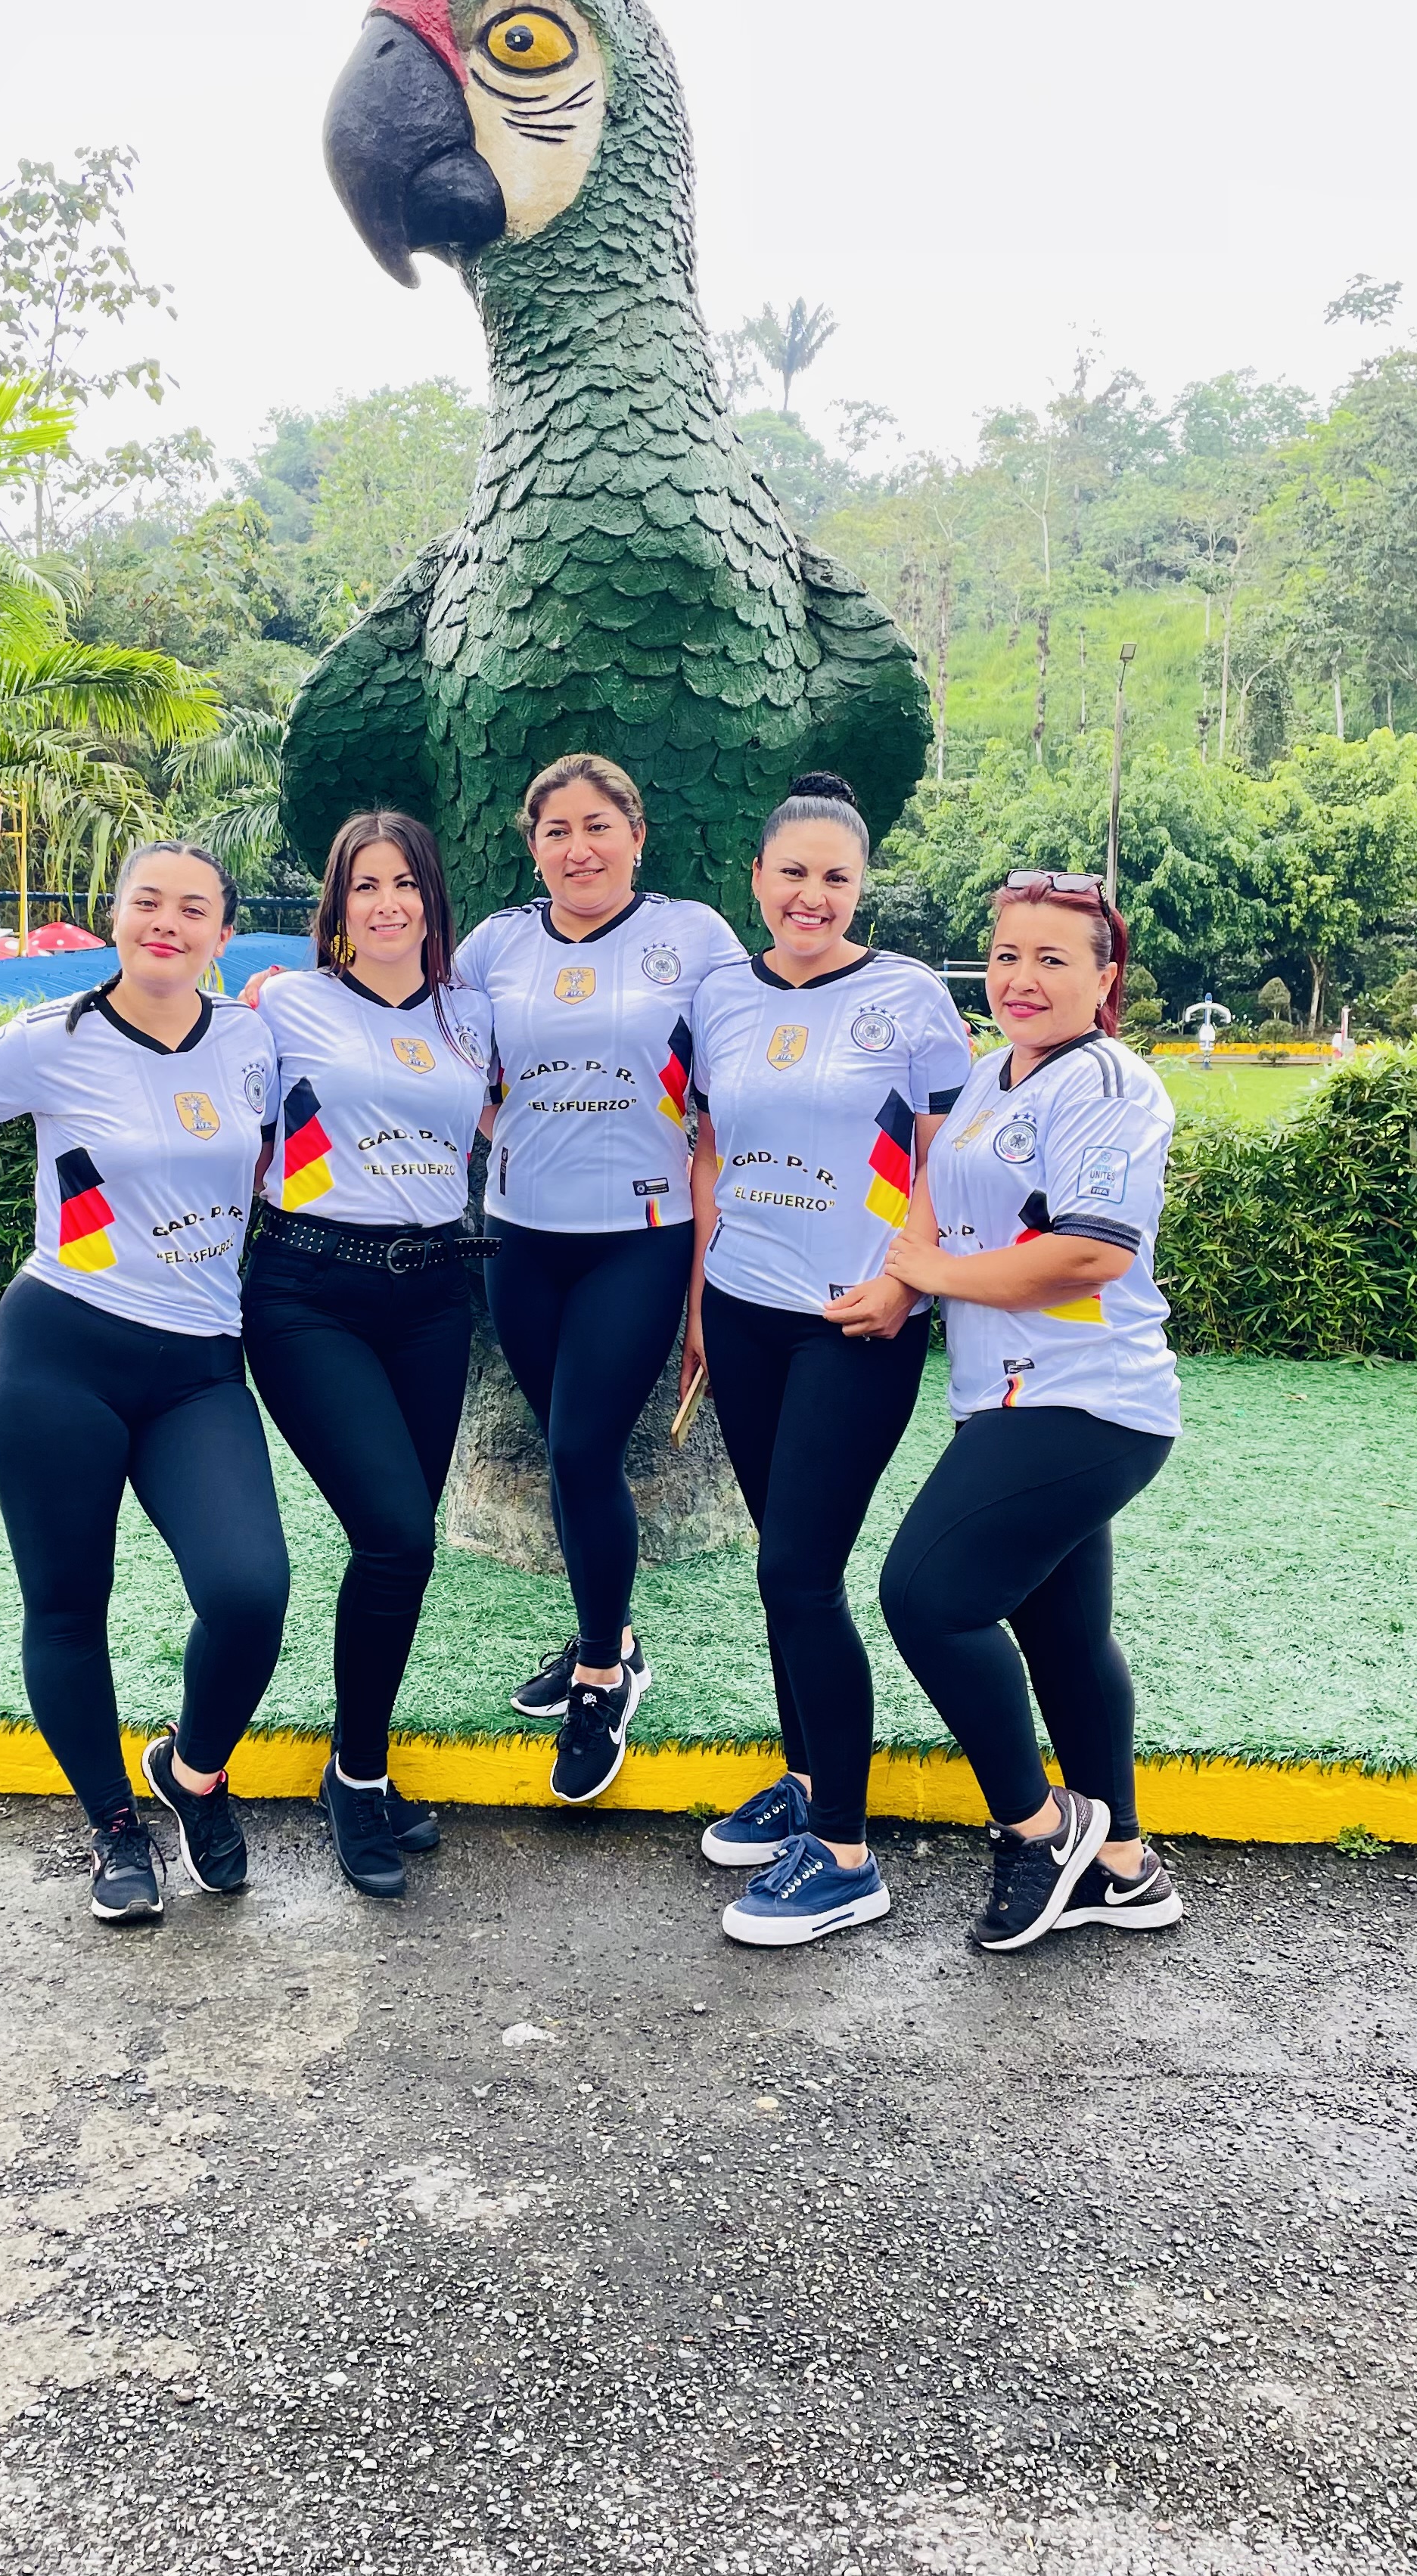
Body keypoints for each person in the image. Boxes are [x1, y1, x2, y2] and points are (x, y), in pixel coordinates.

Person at [0, 840, 287, 1927]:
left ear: (222, 932)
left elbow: (282, 1157)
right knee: (69, 1607)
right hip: (58, 1359)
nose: (167, 922)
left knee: (249, 1592)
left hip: (199, 1368)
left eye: (193, 909)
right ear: (115, 917)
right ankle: (115, 1827)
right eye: (147, 902)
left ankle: (194, 1774)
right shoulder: (53, 1037)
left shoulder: (253, 1040)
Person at [831, 871, 1184, 1951]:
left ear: (1104, 978)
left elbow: (1088, 1253)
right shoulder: (993, 1072)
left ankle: (1041, 1828)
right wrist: (902, 1279)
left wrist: (931, 1275)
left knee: (927, 1597)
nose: (1021, 979)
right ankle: (1123, 1867)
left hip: (1089, 1399)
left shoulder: (1113, 1086)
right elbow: (935, 1190)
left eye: (1052, 960)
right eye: (1006, 957)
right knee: (1063, 1634)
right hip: (1004, 1395)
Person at [683, 772, 973, 1945]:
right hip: (743, 1311)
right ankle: (807, 1784)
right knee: (781, 1566)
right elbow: (708, 1148)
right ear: (757, 878)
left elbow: (952, 1158)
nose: (812, 895)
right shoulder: (718, 996)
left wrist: (909, 1280)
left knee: (801, 1572)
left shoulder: (911, 1000)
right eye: (793, 873)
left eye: (836, 878)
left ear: (862, 886)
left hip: (855, 1320)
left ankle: (847, 1856)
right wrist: (700, 1302)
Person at [454, 753, 746, 1803]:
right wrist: (509, 1131)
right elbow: (444, 1059)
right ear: (532, 847)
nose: (578, 848)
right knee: (564, 1451)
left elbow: (730, 1099)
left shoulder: (695, 938)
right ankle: (611, 1634)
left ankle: (601, 1678)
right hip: (521, 1239)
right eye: (556, 831)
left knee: (582, 1449)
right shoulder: (494, 946)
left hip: (642, 1235)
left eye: (597, 826)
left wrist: (713, 1273)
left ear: (636, 834)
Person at [244, 811, 496, 1898]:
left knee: (402, 1550)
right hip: (308, 1290)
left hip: (435, 1293)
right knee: (395, 1534)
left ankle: (360, 1763)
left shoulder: (472, 1016)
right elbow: (221, 1129)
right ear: (337, 906)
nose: (387, 904)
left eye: (405, 884)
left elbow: (520, 1125)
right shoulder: (283, 1005)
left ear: (432, 898)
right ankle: (355, 1778)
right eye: (365, 886)